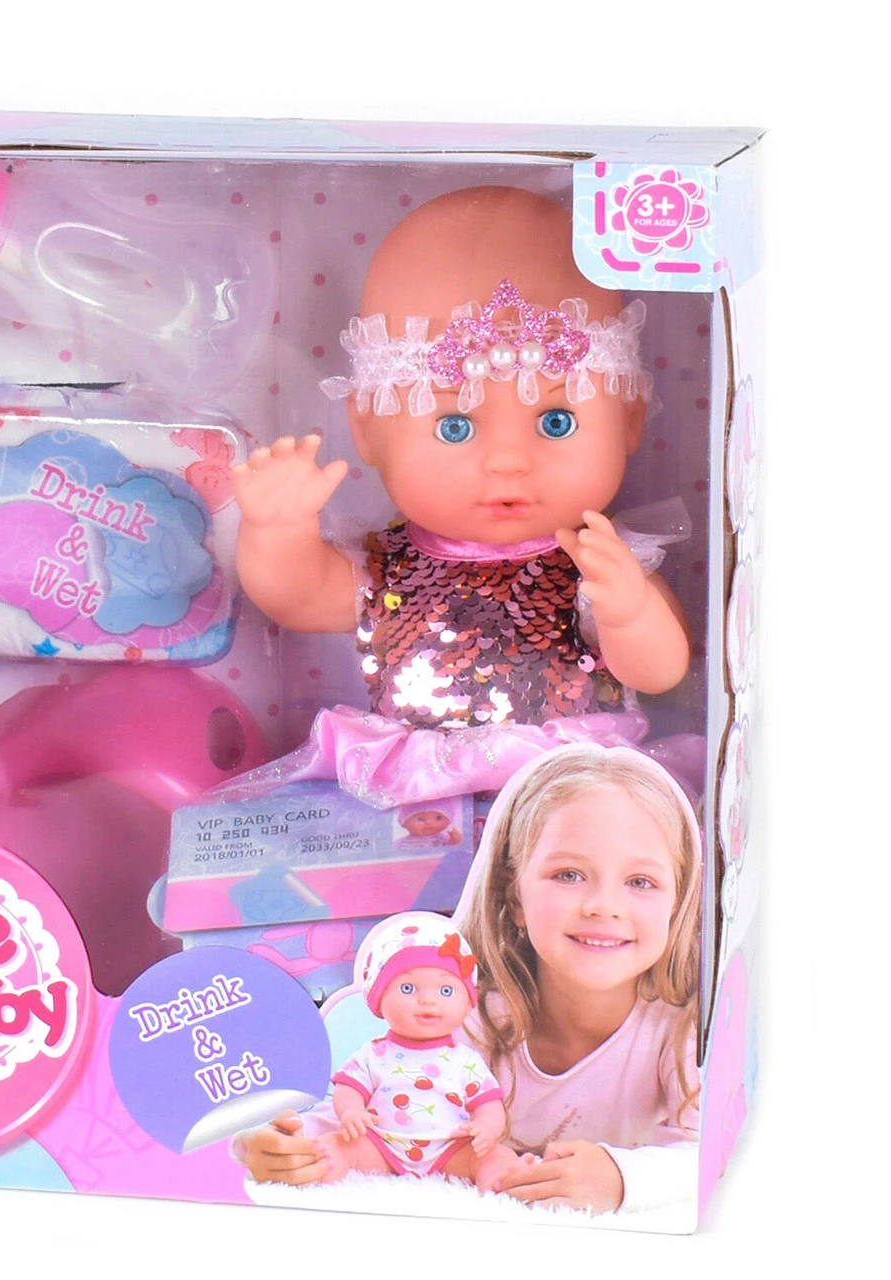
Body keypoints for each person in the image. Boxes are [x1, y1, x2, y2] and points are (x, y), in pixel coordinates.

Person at [224, 187, 689, 810]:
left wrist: (627, 611)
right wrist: (275, 529)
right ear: (367, 429)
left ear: (628, 419)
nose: (507, 460)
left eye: (556, 422)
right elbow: (301, 598)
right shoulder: (389, 566)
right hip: (418, 789)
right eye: (454, 426)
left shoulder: (595, 564)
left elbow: (660, 672)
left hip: (568, 785)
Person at [236, 744, 701, 1214]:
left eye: (641, 882)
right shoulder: (460, 1013)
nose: (604, 906)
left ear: (678, 901)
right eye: (568, 874)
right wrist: (287, 1145)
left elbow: (716, 1152)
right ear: (514, 896)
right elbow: (381, 1117)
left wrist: (622, 1177)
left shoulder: (684, 1030)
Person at [323, 913, 524, 1190]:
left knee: (496, 1155)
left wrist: (487, 1127)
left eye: (446, 990)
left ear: (468, 1003)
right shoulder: (373, 1054)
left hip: (450, 1148)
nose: (428, 1000)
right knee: (339, 1144)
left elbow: (489, 1103)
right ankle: (324, 1164)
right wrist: (351, 1112)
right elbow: (349, 1088)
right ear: (378, 999)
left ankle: (498, 1177)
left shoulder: (466, 1061)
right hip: (381, 1144)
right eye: (408, 988)